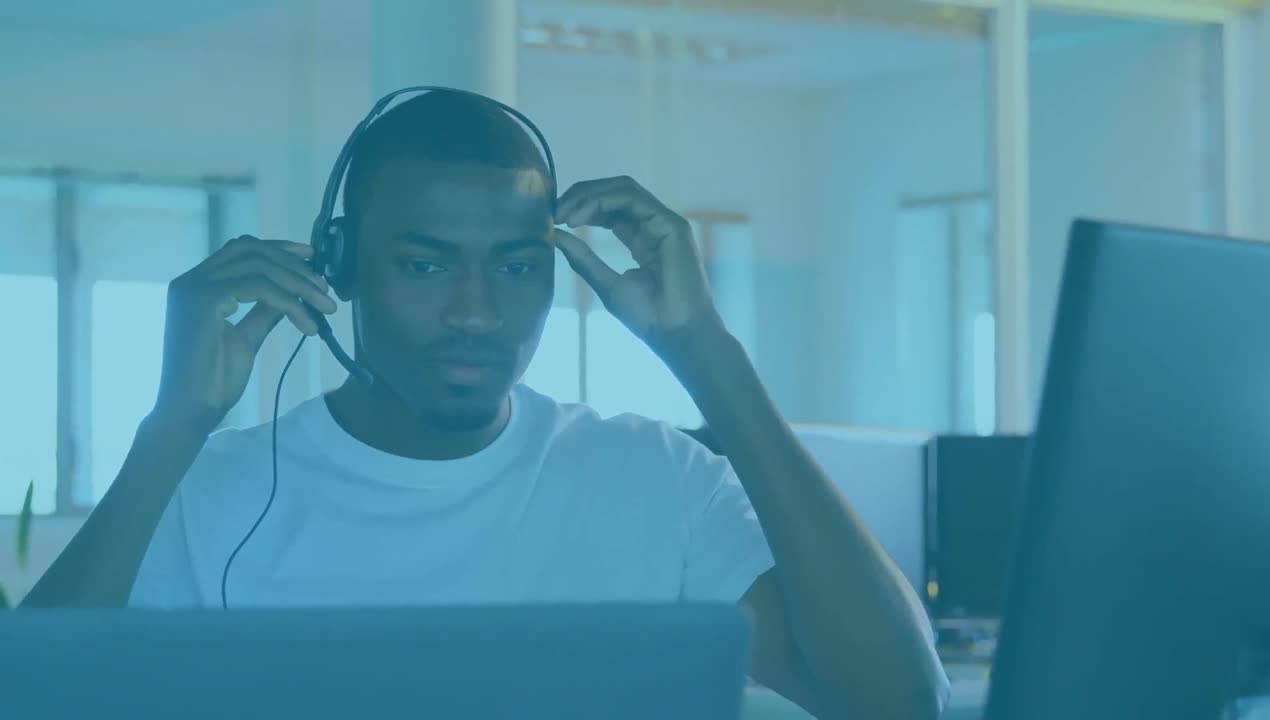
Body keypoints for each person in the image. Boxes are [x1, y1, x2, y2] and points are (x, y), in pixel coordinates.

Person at [22, 91, 948, 719]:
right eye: (424, 265)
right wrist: (171, 429)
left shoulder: (655, 476)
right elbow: (28, 702)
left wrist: (707, 357)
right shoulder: (208, 491)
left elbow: (899, 702)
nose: (476, 313)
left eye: (516, 267)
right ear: (338, 270)